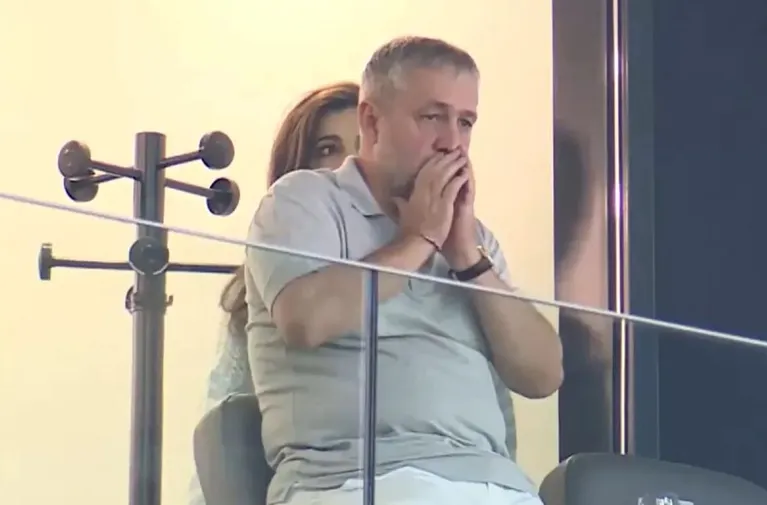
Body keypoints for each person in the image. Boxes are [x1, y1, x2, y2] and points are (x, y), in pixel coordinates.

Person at [244, 36, 563, 505]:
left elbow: (544, 376)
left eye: (465, 122)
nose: (452, 142)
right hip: (359, 481)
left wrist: (467, 258)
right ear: (372, 122)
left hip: (497, 485)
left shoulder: (473, 238)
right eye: (432, 117)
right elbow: (306, 321)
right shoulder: (303, 199)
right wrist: (419, 240)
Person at [188, 81, 360, 505]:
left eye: (363, 146)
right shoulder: (255, 298)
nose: (348, 165)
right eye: (327, 149)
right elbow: (223, 430)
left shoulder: (424, 270)